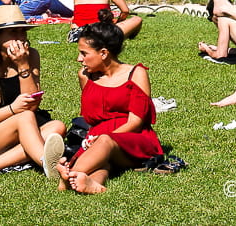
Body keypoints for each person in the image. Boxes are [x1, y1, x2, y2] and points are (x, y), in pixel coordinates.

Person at [55, 13, 162, 194]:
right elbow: (91, 117)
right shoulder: (85, 76)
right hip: (96, 138)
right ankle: (93, 184)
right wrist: (94, 139)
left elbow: (135, 122)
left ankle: (68, 176)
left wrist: (102, 138)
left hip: (133, 139)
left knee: (105, 141)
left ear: (103, 53)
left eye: (84, 54)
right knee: (102, 160)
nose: (79, 60)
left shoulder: (136, 74)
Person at [0, 5, 66, 178]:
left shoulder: (31, 56)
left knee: (57, 127)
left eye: (23, 32)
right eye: (14, 32)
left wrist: (23, 66)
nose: (20, 38)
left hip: (20, 128)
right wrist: (13, 110)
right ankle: (47, 163)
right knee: (25, 117)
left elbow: (32, 105)